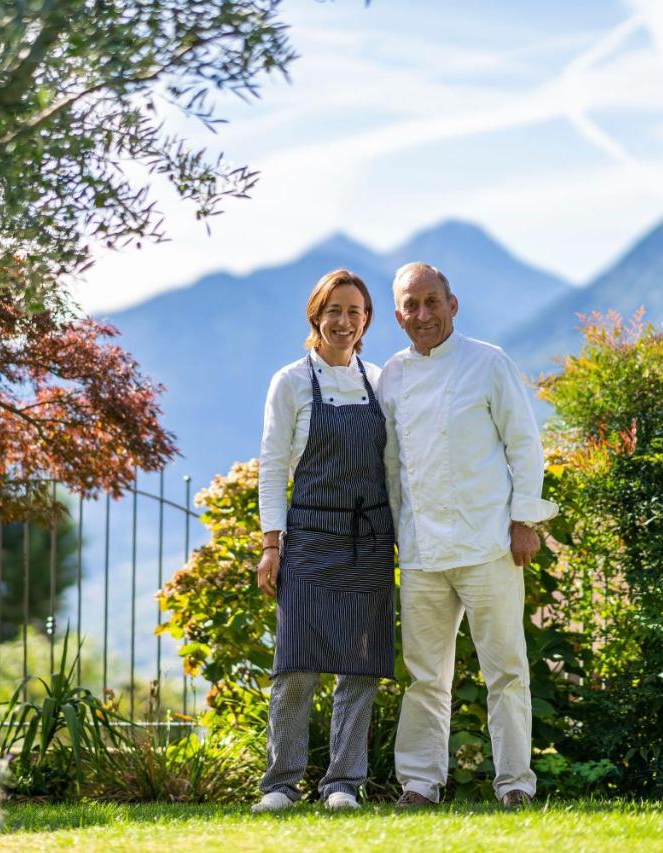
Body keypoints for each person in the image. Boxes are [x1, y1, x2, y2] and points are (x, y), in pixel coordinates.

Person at [380, 262, 557, 809]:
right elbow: (390, 466)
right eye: (412, 305)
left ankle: (514, 785)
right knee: (425, 675)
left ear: (453, 305)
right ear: (397, 315)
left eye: (433, 302)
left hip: (488, 545)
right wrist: (393, 533)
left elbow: (523, 444)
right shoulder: (390, 375)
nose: (424, 314)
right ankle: (419, 784)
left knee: (506, 668)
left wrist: (524, 521)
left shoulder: (488, 363)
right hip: (421, 551)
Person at [251, 268, 396, 814]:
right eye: (334, 310)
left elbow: (393, 467)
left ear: (366, 321)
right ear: (316, 316)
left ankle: (343, 784)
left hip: (369, 539)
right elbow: (272, 466)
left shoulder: (379, 380)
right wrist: (272, 543)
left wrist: (401, 533)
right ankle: (280, 785)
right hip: (310, 534)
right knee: (296, 666)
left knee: (360, 668)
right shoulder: (290, 381)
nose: (344, 321)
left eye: (354, 312)